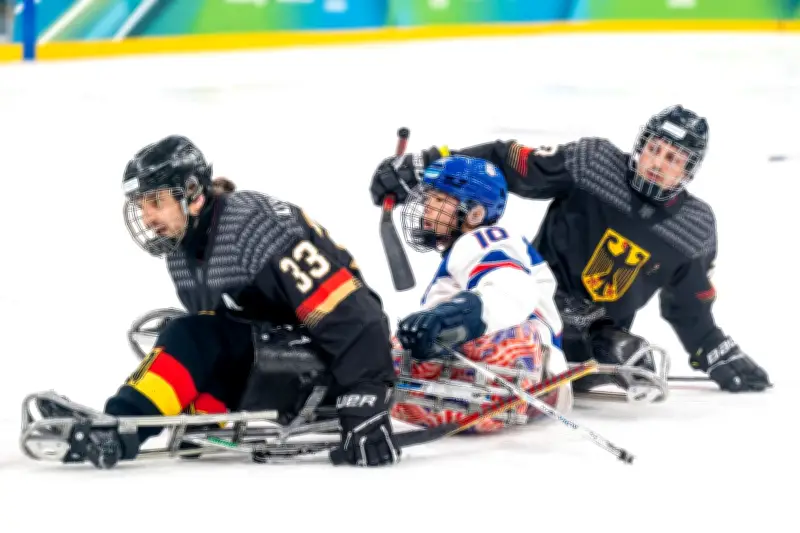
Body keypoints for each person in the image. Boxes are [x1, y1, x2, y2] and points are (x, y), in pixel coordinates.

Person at [369, 105, 771, 394]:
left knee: (619, 347)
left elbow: (688, 308)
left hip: (593, 341)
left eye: (673, 158)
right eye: (653, 148)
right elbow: (506, 162)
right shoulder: (593, 164)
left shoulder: (695, 227)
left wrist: (713, 349)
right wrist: (427, 168)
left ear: (689, 170)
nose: (657, 163)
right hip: (532, 303)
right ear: (641, 144)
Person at [89, 135, 400, 469]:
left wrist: (367, 394)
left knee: (187, 334)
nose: (147, 217)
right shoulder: (180, 252)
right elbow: (228, 334)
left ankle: (120, 426)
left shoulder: (253, 227)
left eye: (155, 202)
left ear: (192, 193)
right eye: (141, 206)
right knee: (187, 335)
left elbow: (354, 313)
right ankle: (196, 413)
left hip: (342, 360)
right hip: (285, 355)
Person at [388, 154, 573, 432]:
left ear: (474, 214)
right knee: (404, 342)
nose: (427, 208)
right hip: (524, 379)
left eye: (439, 200)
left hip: (531, 370)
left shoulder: (484, 239)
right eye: (428, 199)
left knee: (387, 354)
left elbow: (512, 288)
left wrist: (449, 317)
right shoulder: (466, 250)